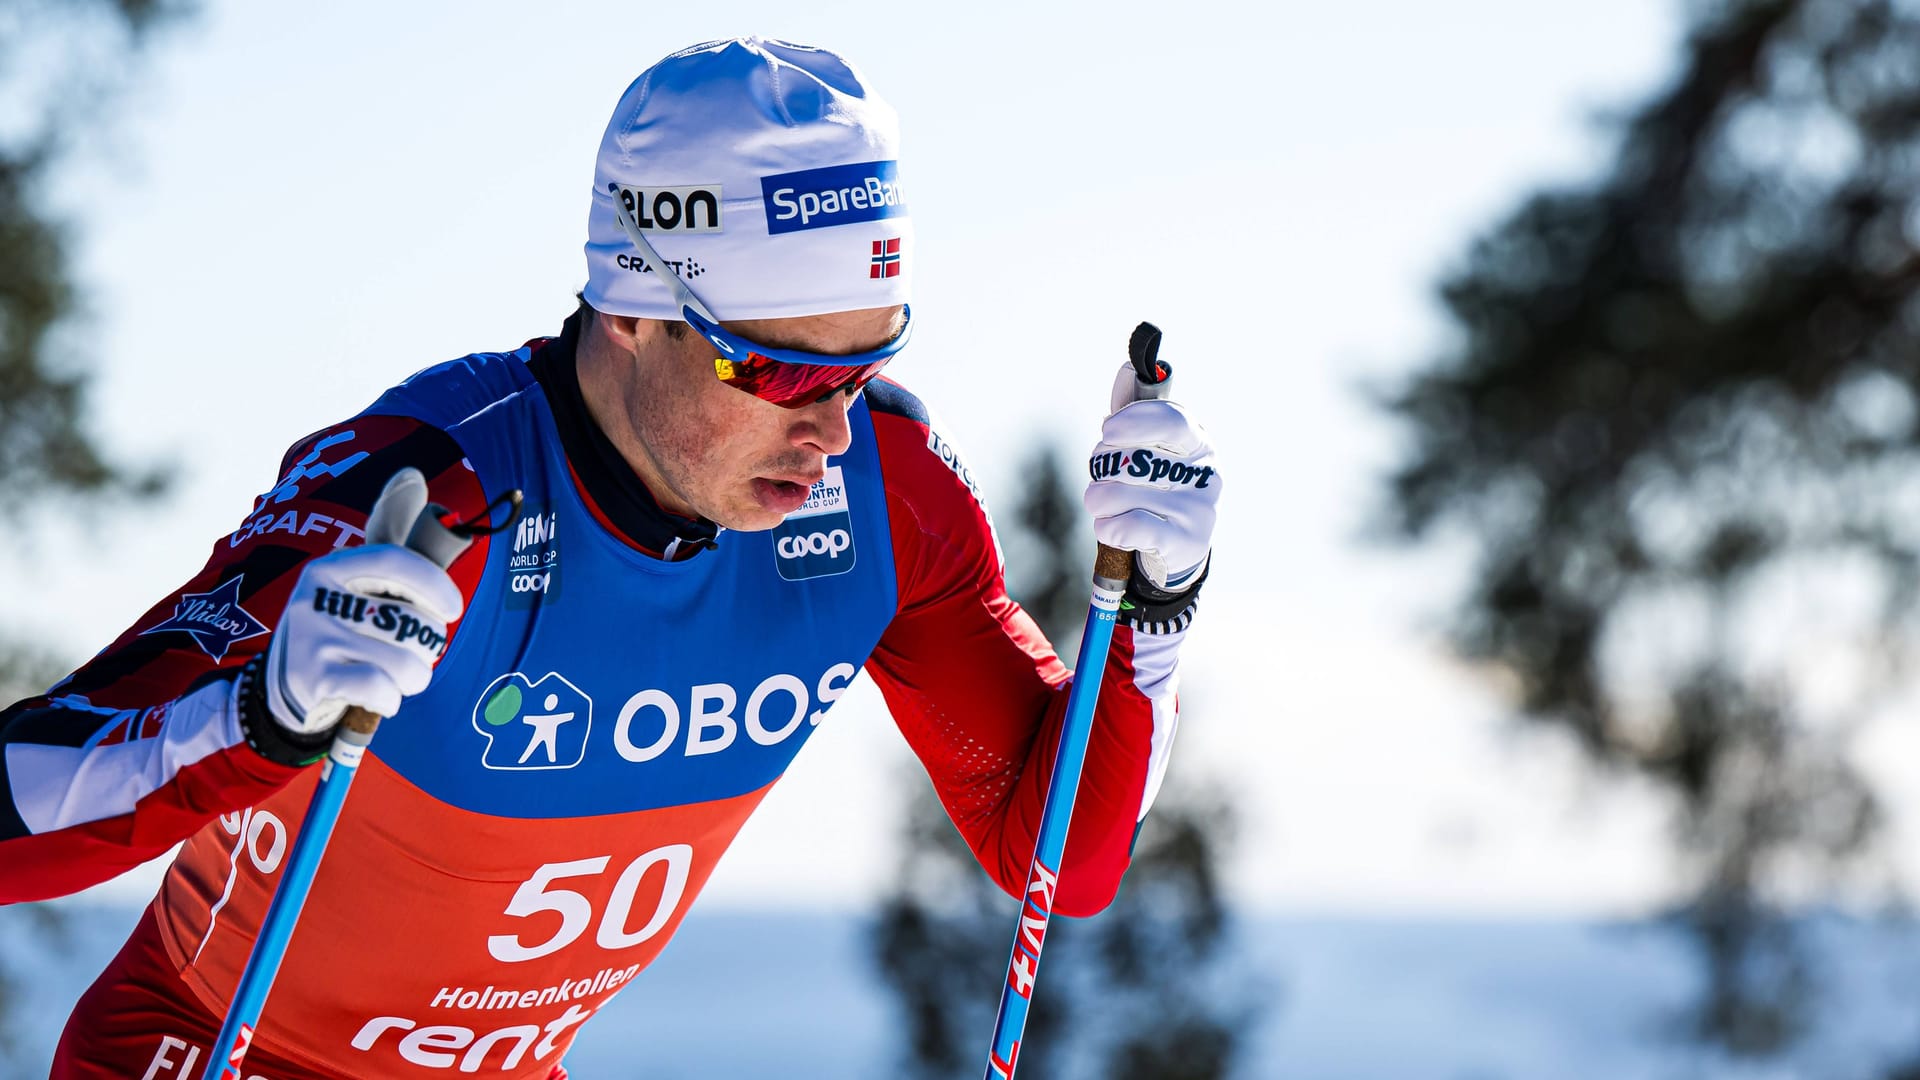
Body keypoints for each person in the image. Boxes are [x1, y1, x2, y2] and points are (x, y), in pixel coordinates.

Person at [0, 36, 1222, 1079]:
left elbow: (1058, 855)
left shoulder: (883, 495)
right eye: (787, 370)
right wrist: (256, 718)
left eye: (865, 366)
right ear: (632, 307)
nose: (833, 428)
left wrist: (1155, 607)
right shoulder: (432, 496)